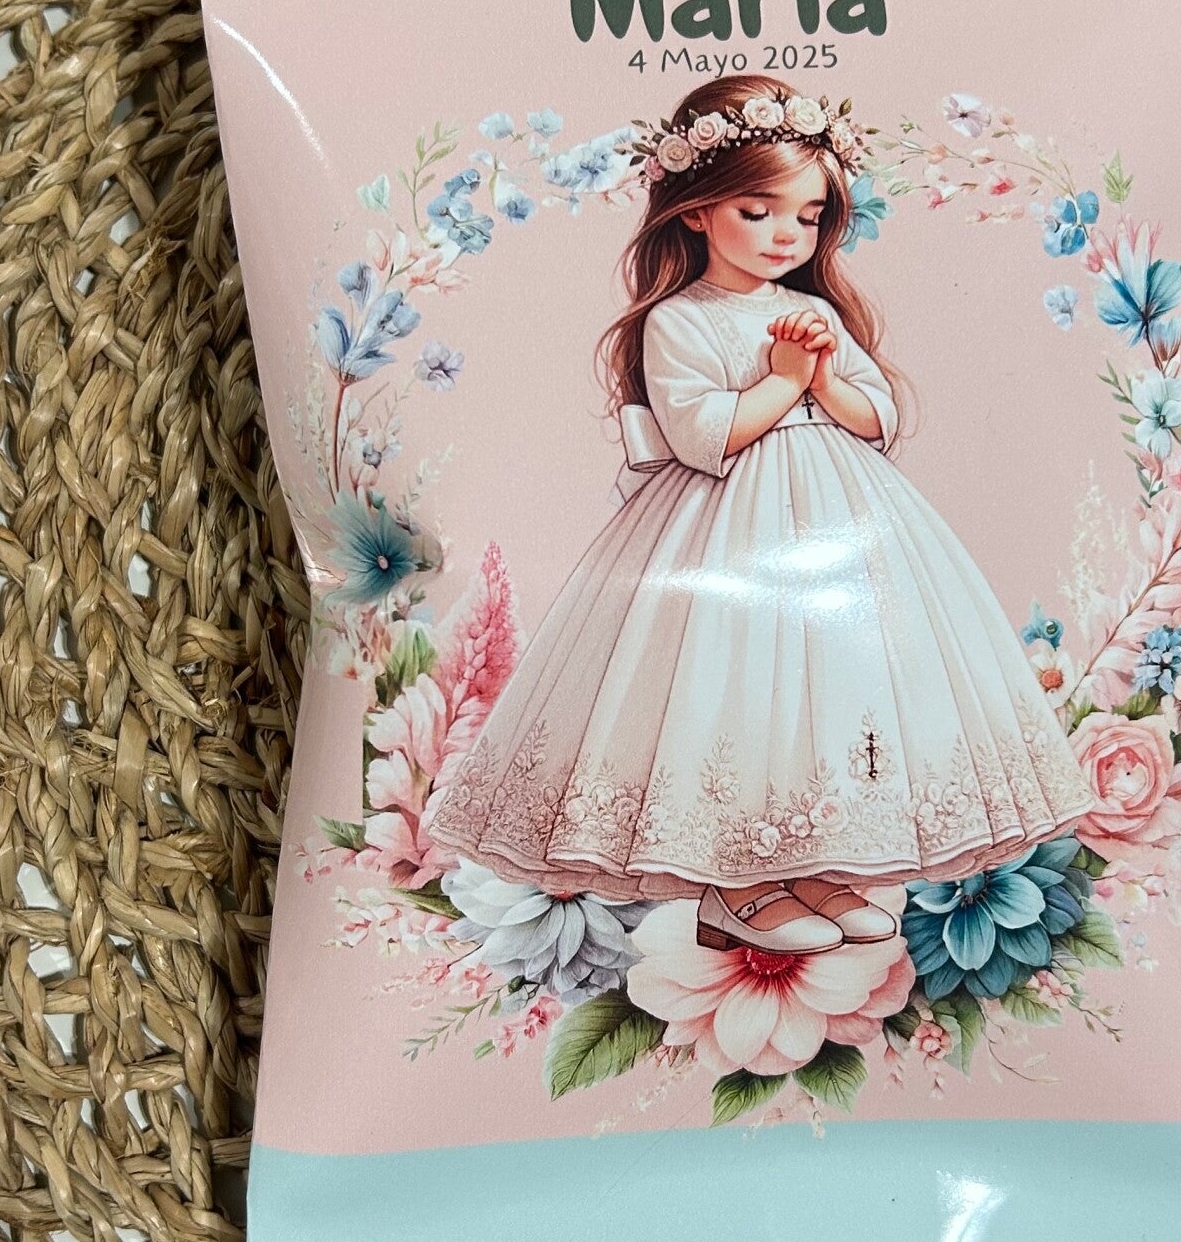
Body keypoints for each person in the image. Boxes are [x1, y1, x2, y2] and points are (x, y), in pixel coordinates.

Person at [426, 74, 1090, 952]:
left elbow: (877, 416)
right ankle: (735, 887)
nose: (787, 235)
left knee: (830, 686)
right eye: (758, 211)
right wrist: (781, 381)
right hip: (722, 526)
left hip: (840, 517)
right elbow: (704, 435)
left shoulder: (811, 310)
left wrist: (823, 377)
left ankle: (814, 865)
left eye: (808, 218)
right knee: (732, 688)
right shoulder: (678, 321)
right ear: (697, 211)